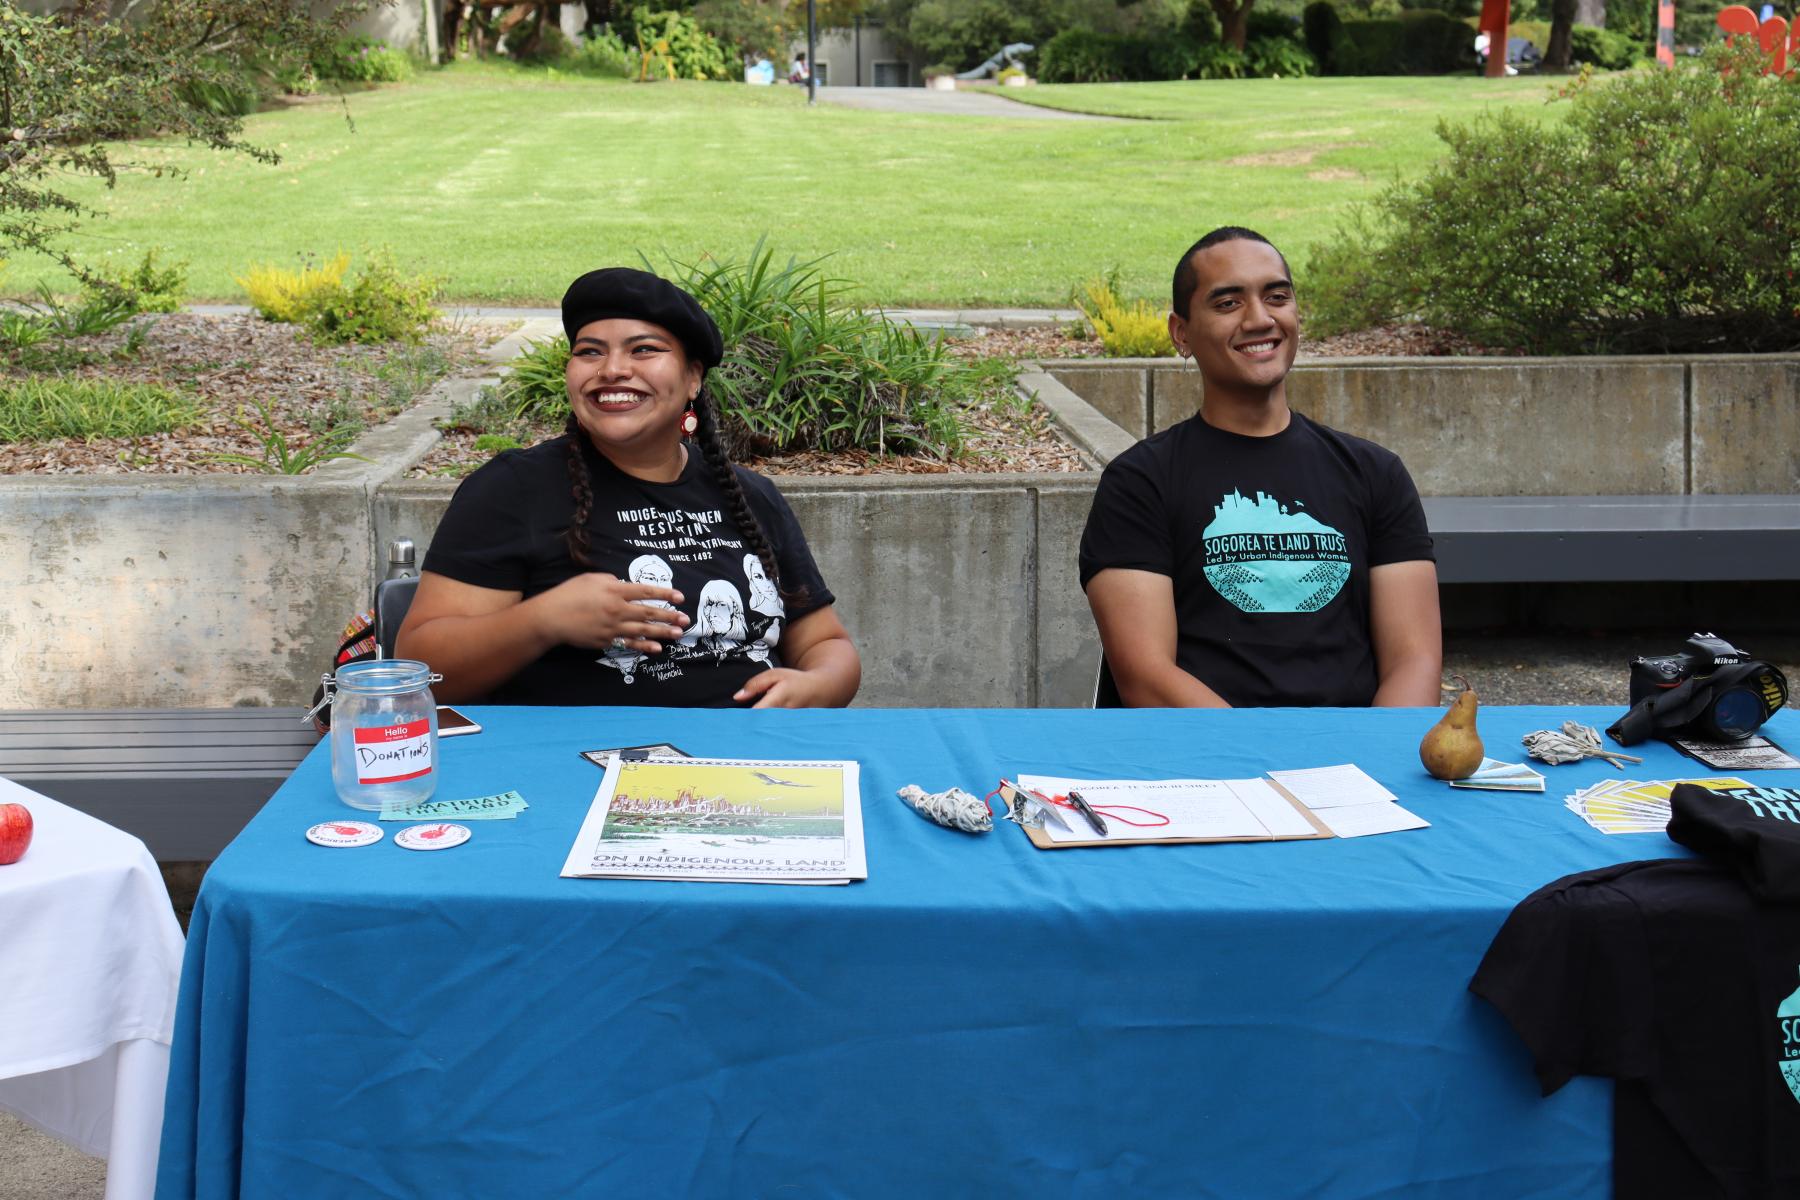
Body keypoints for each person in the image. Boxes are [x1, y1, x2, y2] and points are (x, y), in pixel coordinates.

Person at [396, 267, 861, 708]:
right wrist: (544, 620)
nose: (612, 369)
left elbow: (826, 644)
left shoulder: (750, 495)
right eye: (590, 351)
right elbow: (420, 671)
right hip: (579, 764)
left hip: (748, 754)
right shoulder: (512, 490)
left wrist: (817, 684)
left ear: (693, 377)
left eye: (643, 350)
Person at [1078, 227, 1441, 708]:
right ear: (1181, 333)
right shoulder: (1140, 482)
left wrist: (1367, 762)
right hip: (1207, 764)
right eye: (1228, 303)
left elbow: (1414, 662)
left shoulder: (1375, 472)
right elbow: (1147, 677)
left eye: (1277, 296)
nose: (1259, 318)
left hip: (1350, 766)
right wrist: (1269, 767)